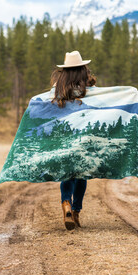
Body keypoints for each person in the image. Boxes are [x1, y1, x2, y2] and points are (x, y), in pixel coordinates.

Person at [49, 50, 96, 230]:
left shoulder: (57, 90)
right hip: (83, 136)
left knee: (67, 172)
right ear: (82, 69)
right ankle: (76, 211)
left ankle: (66, 204)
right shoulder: (88, 89)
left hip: (64, 136)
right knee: (81, 175)